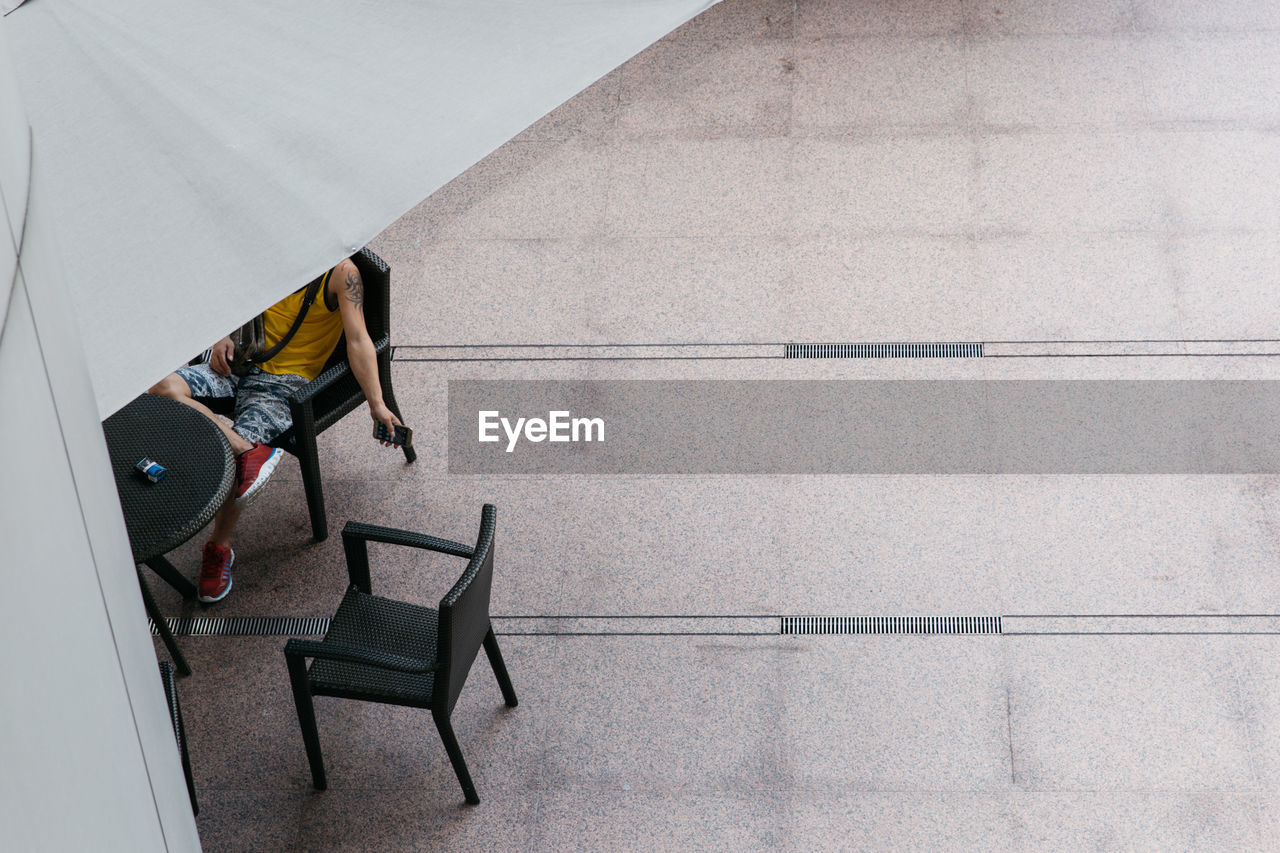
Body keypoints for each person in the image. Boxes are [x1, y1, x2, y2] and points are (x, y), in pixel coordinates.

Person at [149, 256, 402, 603]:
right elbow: (230, 294)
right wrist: (223, 333)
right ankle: (245, 449)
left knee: (244, 470)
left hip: (281, 385)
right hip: (240, 362)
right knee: (160, 386)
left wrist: (377, 403)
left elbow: (358, 341)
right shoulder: (267, 253)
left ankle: (218, 546)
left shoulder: (342, 275)